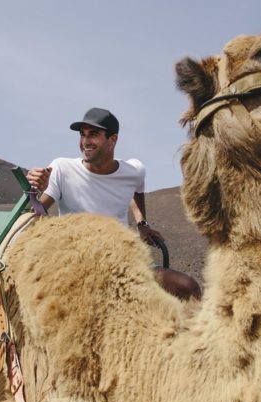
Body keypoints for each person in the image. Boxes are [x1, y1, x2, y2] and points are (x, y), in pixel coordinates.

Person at [26, 107, 202, 300]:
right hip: (76, 264)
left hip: (125, 263)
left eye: (93, 134)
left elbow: (136, 191)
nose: (85, 142)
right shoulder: (62, 168)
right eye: (82, 135)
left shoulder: (133, 170)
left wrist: (142, 224)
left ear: (113, 140)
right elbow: (37, 213)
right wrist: (36, 190)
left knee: (189, 288)